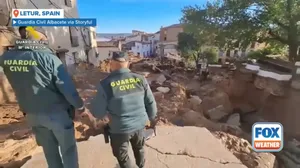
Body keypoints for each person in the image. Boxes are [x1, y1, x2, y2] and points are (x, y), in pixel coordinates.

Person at [0, 28, 87, 168]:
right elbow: (67, 88)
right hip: (56, 113)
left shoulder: (7, 58)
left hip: (32, 114)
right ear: (37, 40)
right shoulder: (49, 58)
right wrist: (80, 107)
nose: (45, 42)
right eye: (43, 40)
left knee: (49, 151)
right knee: (68, 150)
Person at [90, 51, 157, 168]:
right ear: (128, 63)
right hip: (140, 125)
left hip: (119, 129)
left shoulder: (105, 84)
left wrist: (106, 116)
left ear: (111, 64)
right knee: (139, 148)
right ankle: (141, 166)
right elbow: (150, 103)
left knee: (122, 155)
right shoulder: (140, 79)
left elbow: (97, 112)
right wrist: (151, 119)